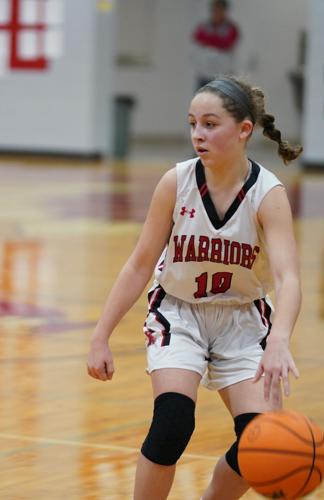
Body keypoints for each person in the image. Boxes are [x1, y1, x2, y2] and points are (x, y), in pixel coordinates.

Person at [87, 76, 302, 500]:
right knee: (172, 424)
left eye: (209, 124)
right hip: (178, 312)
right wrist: (100, 335)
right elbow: (139, 263)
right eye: (192, 124)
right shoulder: (176, 182)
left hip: (243, 319)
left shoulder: (268, 194)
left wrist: (279, 340)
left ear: (244, 130)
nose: (197, 134)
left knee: (262, 443)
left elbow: (288, 277)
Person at [192, 0, 240, 89]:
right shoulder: (204, 25)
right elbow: (198, 38)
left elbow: (228, 43)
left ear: (225, 11)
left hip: (223, 75)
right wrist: (218, 41)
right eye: (214, 10)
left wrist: (210, 40)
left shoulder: (231, 28)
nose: (216, 13)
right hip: (204, 74)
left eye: (219, 10)